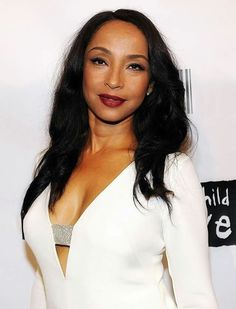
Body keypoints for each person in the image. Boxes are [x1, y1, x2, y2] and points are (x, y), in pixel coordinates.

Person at [21, 9, 218, 309]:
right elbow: (45, 281)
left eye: (135, 67)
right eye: (100, 61)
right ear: (80, 69)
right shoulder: (51, 163)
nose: (114, 80)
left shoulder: (169, 171)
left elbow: (197, 298)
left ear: (151, 83)